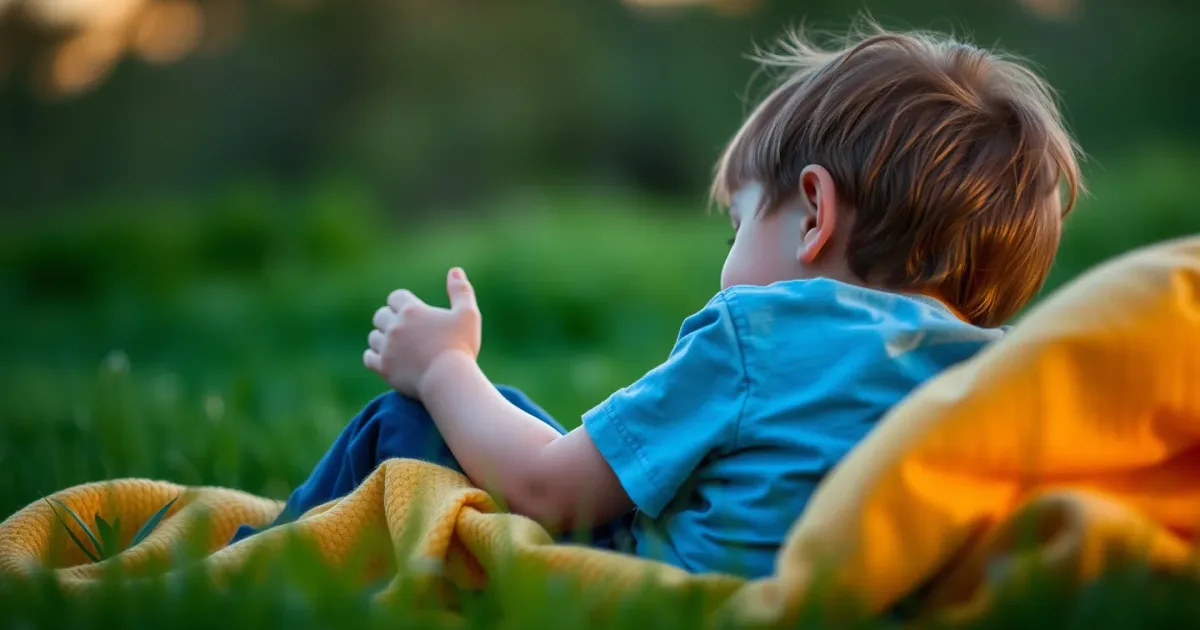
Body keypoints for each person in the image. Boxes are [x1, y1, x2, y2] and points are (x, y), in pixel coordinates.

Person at [231, 23, 1083, 579]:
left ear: (814, 214)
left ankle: (249, 573)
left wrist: (446, 367)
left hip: (632, 584)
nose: (729, 258)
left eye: (740, 224)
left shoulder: (764, 335)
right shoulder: (1001, 379)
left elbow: (547, 487)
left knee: (411, 426)